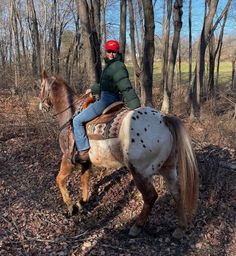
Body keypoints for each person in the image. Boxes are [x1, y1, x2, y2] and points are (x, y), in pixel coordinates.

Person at [72, 39, 141, 164]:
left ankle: (83, 151)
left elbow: (125, 86)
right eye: (109, 51)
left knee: (76, 120)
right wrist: (93, 89)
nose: (111, 54)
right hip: (108, 96)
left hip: (106, 100)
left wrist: (135, 105)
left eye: (113, 51)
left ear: (117, 51)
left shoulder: (116, 66)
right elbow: (106, 85)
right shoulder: (111, 66)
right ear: (106, 52)